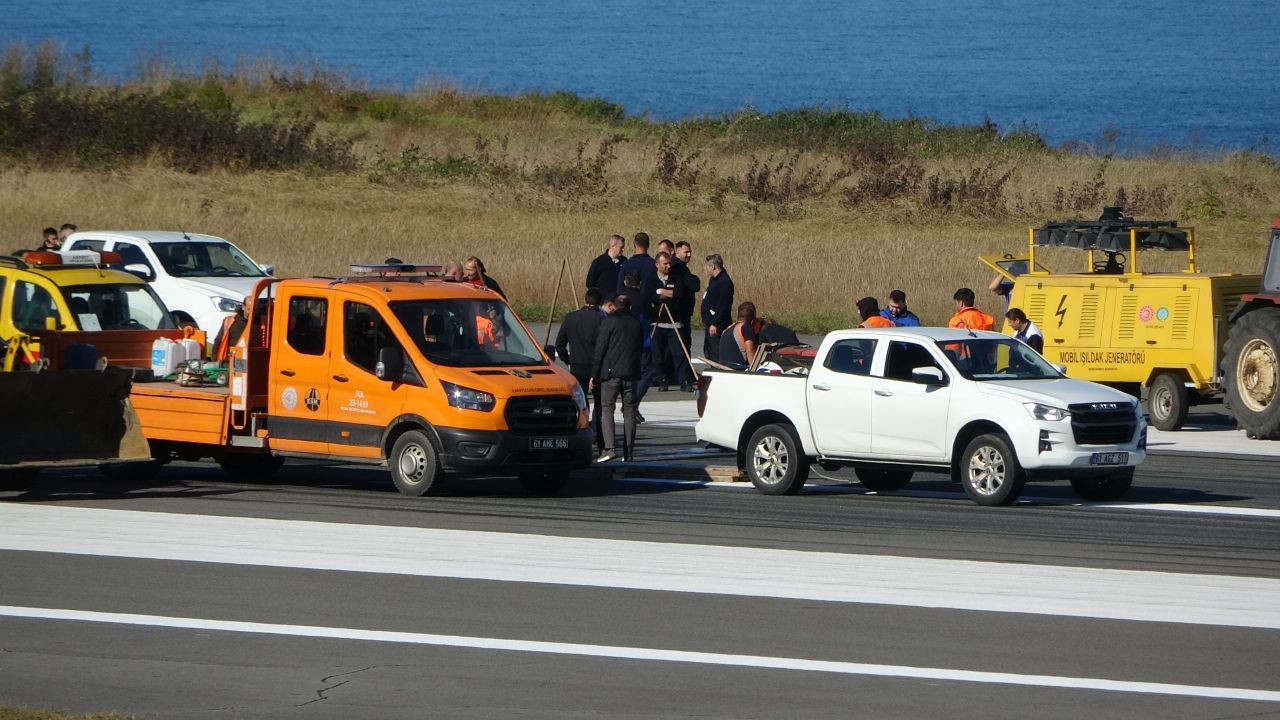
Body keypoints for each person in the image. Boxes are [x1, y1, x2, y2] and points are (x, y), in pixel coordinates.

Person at [591, 293, 643, 463]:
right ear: (629, 306)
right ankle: (629, 452)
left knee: (607, 409)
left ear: (614, 306)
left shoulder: (609, 321)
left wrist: (595, 374)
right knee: (629, 411)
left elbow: (600, 349)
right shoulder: (636, 323)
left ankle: (610, 448)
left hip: (611, 373)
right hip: (631, 373)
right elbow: (640, 348)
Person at [555, 289, 605, 450]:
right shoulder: (602, 319)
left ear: (585, 299)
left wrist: (567, 359)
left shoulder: (571, 317)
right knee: (600, 402)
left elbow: (559, 344)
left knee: (580, 402)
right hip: (597, 365)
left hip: (577, 364)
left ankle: (581, 429)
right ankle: (598, 434)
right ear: (599, 302)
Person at [645, 251, 693, 392]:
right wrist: (663, 294)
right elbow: (650, 296)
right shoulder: (651, 279)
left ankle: (684, 380)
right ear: (657, 264)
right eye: (665, 263)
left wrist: (661, 292)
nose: (668, 266)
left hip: (675, 322)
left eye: (669, 263)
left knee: (679, 353)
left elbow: (678, 294)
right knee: (658, 355)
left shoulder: (676, 278)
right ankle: (662, 380)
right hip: (657, 322)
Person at [700, 253, 734, 362]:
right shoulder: (714, 280)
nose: (706, 269)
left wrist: (715, 323)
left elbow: (723, 305)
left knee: (716, 351)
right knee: (709, 350)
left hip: (717, 324)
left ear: (713, 266)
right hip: (709, 322)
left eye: (707, 266)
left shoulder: (724, 282)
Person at [719, 302, 760, 368]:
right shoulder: (746, 328)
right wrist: (756, 368)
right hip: (739, 370)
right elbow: (750, 350)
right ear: (752, 321)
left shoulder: (725, 330)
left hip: (723, 369)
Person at [585, 234, 626, 300]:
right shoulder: (599, 262)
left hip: (619, 301)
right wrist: (598, 297)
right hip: (603, 302)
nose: (623, 249)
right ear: (613, 246)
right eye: (621, 247)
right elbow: (590, 283)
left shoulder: (624, 262)